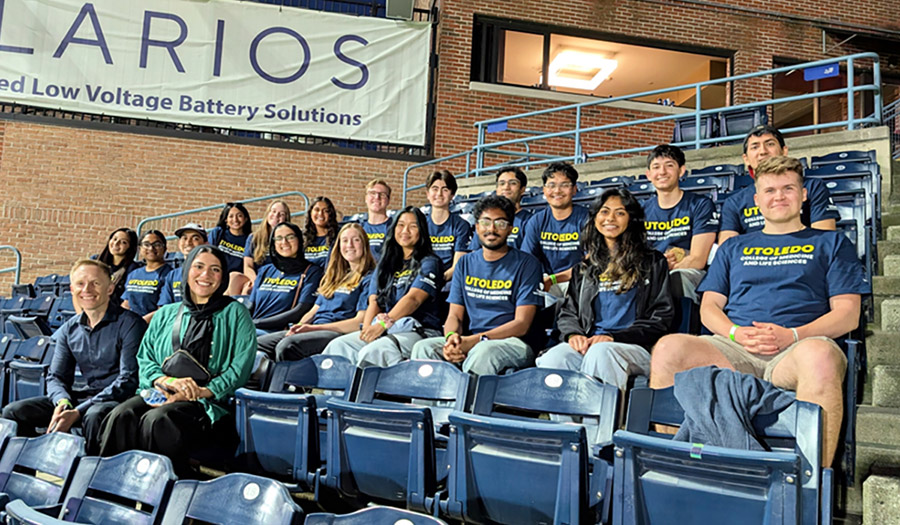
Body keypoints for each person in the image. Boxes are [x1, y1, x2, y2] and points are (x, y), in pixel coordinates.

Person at [650, 156, 869, 466]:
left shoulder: (831, 242)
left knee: (820, 357)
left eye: (788, 188)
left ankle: (809, 486)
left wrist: (793, 334)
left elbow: (848, 313)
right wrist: (735, 333)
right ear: (756, 199)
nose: (778, 196)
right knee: (669, 348)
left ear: (803, 194)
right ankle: (671, 464)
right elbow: (710, 307)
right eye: (769, 190)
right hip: (735, 346)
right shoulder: (733, 247)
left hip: (798, 347)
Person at [98, 245, 256, 477]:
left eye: (215, 269)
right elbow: (145, 358)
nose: (205, 275)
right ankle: (107, 490)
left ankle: (166, 496)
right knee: (121, 415)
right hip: (162, 391)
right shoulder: (165, 313)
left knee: (157, 420)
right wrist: (166, 381)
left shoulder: (235, 313)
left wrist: (199, 392)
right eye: (198, 267)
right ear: (186, 271)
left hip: (205, 402)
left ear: (223, 277)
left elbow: (239, 370)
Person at [1, 259, 146, 454]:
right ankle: (24, 473)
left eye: (95, 283)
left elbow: (128, 380)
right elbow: (56, 376)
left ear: (110, 288)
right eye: (80, 283)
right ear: (72, 289)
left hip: (120, 400)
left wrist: (78, 411)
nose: (87, 289)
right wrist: (63, 402)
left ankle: (91, 478)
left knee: (94, 415)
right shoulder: (70, 328)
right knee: (14, 411)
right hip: (84, 397)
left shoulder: (131, 324)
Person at [536, 189, 674, 390]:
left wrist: (614, 337)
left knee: (601, 353)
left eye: (620, 213)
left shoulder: (652, 262)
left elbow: (662, 317)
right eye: (604, 211)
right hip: (591, 344)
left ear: (631, 219)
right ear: (595, 218)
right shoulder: (585, 268)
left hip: (634, 347)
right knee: (555, 358)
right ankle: (567, 422)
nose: (611, 218)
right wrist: (573, 335)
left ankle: (601, 422)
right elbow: (568, 312)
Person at [411, 195, 543, 375]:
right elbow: (455, 316)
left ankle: (466, 404)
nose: (492, 229)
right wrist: (451, 339)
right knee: (423, 348)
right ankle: (425, 404)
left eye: (500, 223)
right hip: (471, 338)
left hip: (514, 343)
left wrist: (477, 340)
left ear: (511, 229)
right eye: (486, 222)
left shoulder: (528, 264)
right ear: (477, 226)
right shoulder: (465, 263)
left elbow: (522, 324)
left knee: (483, 352)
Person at [323, 207, 443, 367]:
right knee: (339, 346)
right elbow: (374, 301)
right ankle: (333, 392)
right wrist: (367, 329)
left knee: (375, 351)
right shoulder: (385, 264)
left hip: (419, 330)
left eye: (413, 226)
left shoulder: (429, 263)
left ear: (421, 231)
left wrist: (382, 325)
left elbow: (413, 299)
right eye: (401, 225)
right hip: (385, 327)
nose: (405, 231)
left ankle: (367, 392)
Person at [257, 223, 377, 361]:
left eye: (356, 240)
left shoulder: (369, 278)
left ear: (365, 245)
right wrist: (299, 328)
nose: (349, 245)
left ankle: (292, 382)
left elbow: (358, 322)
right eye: (344, 240)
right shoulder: (334, 276)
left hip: (337, 332)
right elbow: (314, 311)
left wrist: (314, 329)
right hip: (315, 329)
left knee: (288, 346)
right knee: (259, 344)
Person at [718, 125, 838, 244]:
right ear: (746, 159)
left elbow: (824, 240)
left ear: (784, 151)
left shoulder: (812, 187)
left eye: (770, 144)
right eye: (755, 147)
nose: (763, 152)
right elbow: (727, 248)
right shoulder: (734, 201)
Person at [641, 145, 718, 302]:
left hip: (689, 272)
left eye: (669, 165)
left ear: (681, 171)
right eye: (656, 167)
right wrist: (658, 267)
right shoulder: (641, 211)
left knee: (676, 277)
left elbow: (698, 259)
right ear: (648, 175)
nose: (662, 172)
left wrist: (661, 269)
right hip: (653, 271)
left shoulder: (700, 204)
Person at [518, 162, 590, 295]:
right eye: (551, 185)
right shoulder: (537, 221)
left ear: (574, 189)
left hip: (581, 282)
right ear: (544, 190)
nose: (557, 190)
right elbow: (527, 259)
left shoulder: (587, 219)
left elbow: (591, 262)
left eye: (564, 185)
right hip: (547, 283)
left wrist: (554, 279)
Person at [246, 222, 324, 334]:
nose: (284, 242)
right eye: (279, 238)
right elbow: (250, 305)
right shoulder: (265, 270)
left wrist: (257, 323)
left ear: (299, 240)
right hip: (252, 328)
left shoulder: (312, 272)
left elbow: (300, 310)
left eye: (290, 237)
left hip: (278, 332)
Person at [229, 200, 291, 295]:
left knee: (246, 291)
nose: (276, 215)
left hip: (278, 281)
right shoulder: (254, 238)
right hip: (256, 278)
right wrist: (256, 281)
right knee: (234, 277)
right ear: (267, 214)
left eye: (281, 214)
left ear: (286, 219)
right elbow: (248, 266)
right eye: (273, 211)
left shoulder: (288, 240)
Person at [424, 170, 472, 282]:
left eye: (445, 189)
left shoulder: (461, 226)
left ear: (452, 195)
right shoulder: (420, 224)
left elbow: (457, 266)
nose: (439, 194)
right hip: (422, 281)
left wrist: (437, 281)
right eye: (435, 189)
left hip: (448, 283)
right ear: (427, 194)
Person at [468, 167, 532, 251]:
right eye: (502, 183)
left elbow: (527, 256)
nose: (506, 187)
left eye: (513, 183)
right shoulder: (485, 219)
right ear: (497, 189)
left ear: (522, 189)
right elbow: (475, 252)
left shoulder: (530, 221)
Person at [156, 223, 209, 312]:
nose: (188, 242)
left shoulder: (209, 274)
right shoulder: (173, 275)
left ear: (205, 243)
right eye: (184, 238)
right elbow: (164, 308)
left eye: (195, 238)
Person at [121, 230, 172, 322]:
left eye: (157, 244)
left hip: (153, 326)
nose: (151, 248)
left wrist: (140, 323)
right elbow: (127, 303)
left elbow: (163, 309)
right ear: (140, 248)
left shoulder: (169, 274)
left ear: (165, 248)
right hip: (130, 325)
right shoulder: (134, 274)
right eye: (146, 244)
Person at [96, 227, 139, 303]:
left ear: (130, 247)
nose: (116, 243)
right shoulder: (97, 261)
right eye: (114, 239)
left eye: (123, 242)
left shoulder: (133, 269)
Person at [207, 202, 252, 275]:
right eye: (231, 216)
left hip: (237, 279)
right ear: (226, 220)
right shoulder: (218, 233)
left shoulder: (250, 240)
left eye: (239, 216)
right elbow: (208, 254)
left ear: (245, 219)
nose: (235, 220)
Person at [360, 179, 393, 260]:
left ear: (388, 200)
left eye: (382, 194)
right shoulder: (359, 228)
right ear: (366, 198)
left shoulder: (394, 227)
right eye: (372, 193)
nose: (377, 197)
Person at [303, 196, 340, 268]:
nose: (320, 213)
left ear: (330, 214)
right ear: (310, 212)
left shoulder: (338, 236)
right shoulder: (303, 238)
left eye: (325, 210)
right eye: (317, 210)